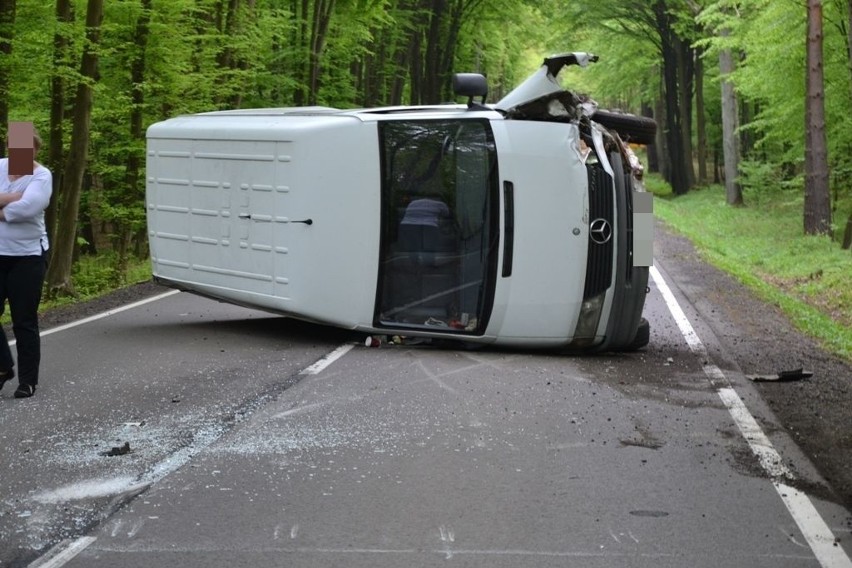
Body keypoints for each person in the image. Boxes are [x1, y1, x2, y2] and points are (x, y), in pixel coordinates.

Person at [0, 126, 52, 398]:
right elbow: (19, 204)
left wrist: (7, 205)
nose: (17, 153)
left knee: (24, 321)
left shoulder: (42, 176)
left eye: (24, 149)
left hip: (28, 257)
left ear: (35, 150)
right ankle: (3, 366)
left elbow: (29, 206)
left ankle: (27, 380)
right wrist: (12, 197)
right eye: (13, 148)